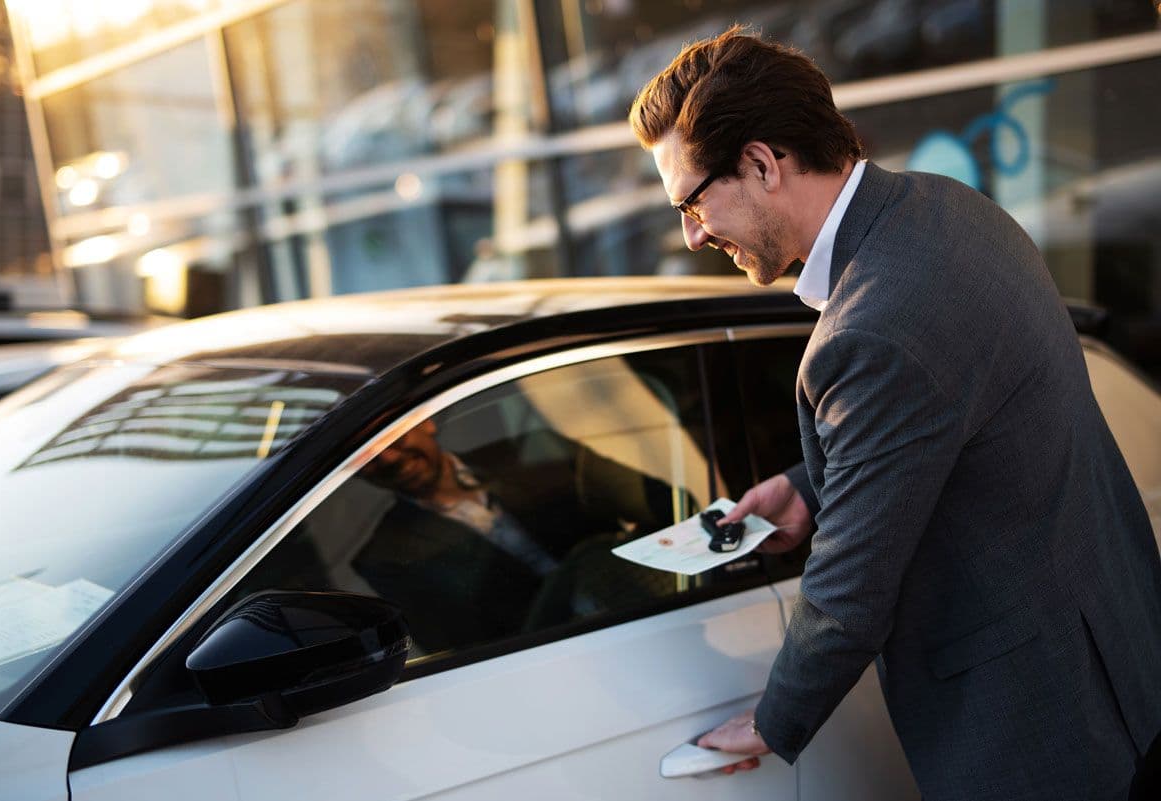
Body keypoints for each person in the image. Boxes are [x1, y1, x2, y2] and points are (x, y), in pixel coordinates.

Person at [629, 26, 1161, 801]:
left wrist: (774, 721)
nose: (690, 234)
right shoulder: (949, 210)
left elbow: (851, 587)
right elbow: (944, 414)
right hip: (1122, 660)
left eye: (692, 200)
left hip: (1041, 733)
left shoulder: (869, 330)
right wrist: (809, 487)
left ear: (763, 164)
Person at [352, 418, 681, 653]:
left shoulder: (534, 451)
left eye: (391, 439)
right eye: (366, 457)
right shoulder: (385, 559)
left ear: (426, 422)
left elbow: (669, 512)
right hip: (553, 659)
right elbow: (460, 649)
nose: (388, 458)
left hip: (656, 608)